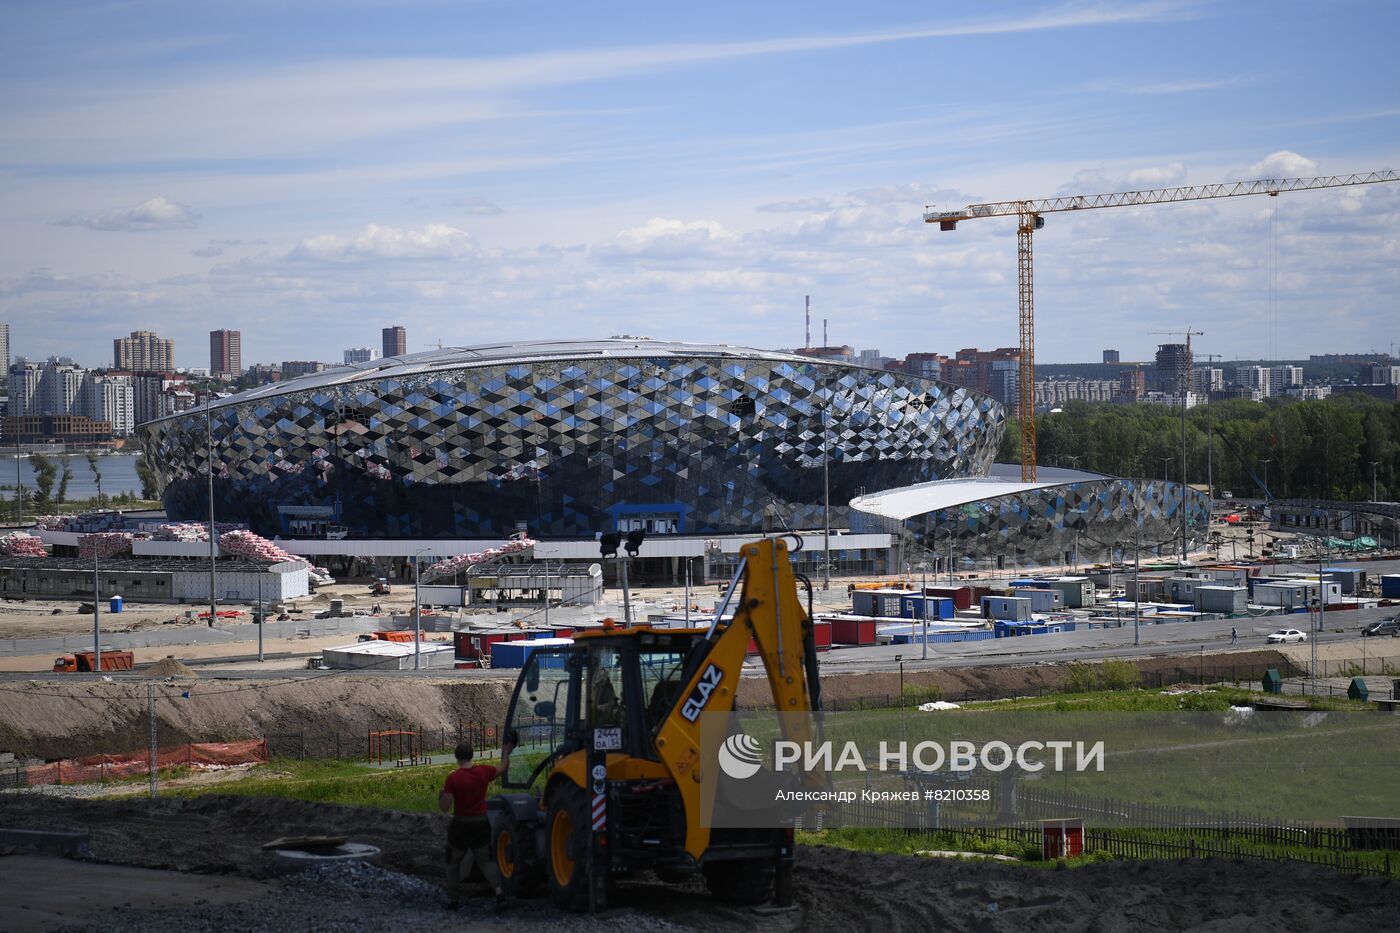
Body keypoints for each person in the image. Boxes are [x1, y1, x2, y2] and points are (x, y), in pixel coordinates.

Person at [439, 739, 513, 911]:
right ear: (471, 755)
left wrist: (442, 795)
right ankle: (499, 893)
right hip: (481, 822)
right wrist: (506, 752)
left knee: (453, 861)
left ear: (457, 757)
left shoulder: (453, 778)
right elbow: (503, 768)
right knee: (486, 860)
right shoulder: (483, 772)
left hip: (461, 825)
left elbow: (444, 807)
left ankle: (453, 900)